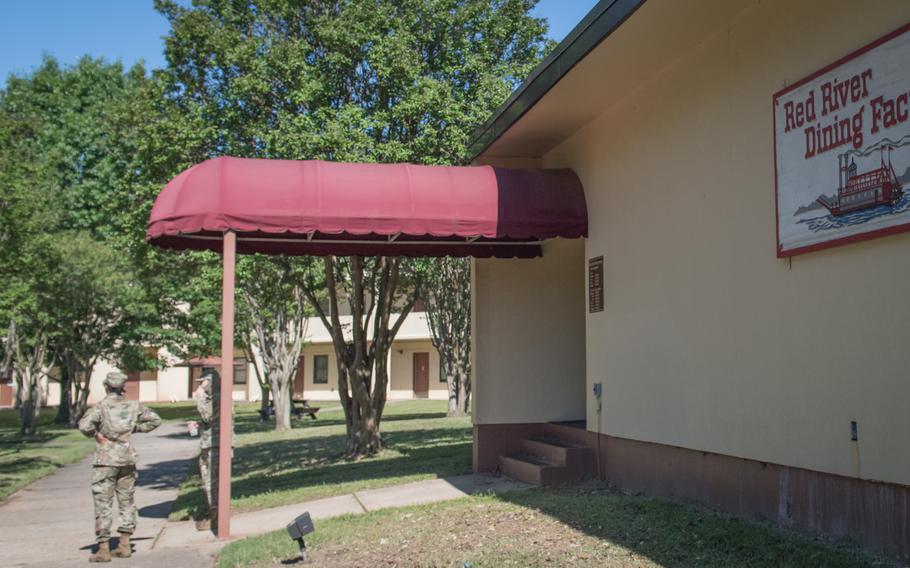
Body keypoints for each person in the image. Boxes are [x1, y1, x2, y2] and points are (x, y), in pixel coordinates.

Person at [78, 371, 161, 563]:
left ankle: (104, 548)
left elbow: (84, 426)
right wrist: (134, 428)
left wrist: (97, 434)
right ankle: (125, 544)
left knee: (103, 503)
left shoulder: (100, 407)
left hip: (106, 459)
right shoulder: (133, 406)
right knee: (127, 501)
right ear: (123, 387)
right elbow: (155, 420)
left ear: (106, 386)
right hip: (127, 458)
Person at [193, 369, 215, 531]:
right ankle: (211, 511)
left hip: (213, 445)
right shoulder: (211, 398)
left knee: (211, 480)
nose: (200, 385)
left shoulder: (216, 398)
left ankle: (214, 515)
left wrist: (199, 398)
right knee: (206, 478)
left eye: (203, 382)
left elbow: (209, 416)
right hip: (208, 443)